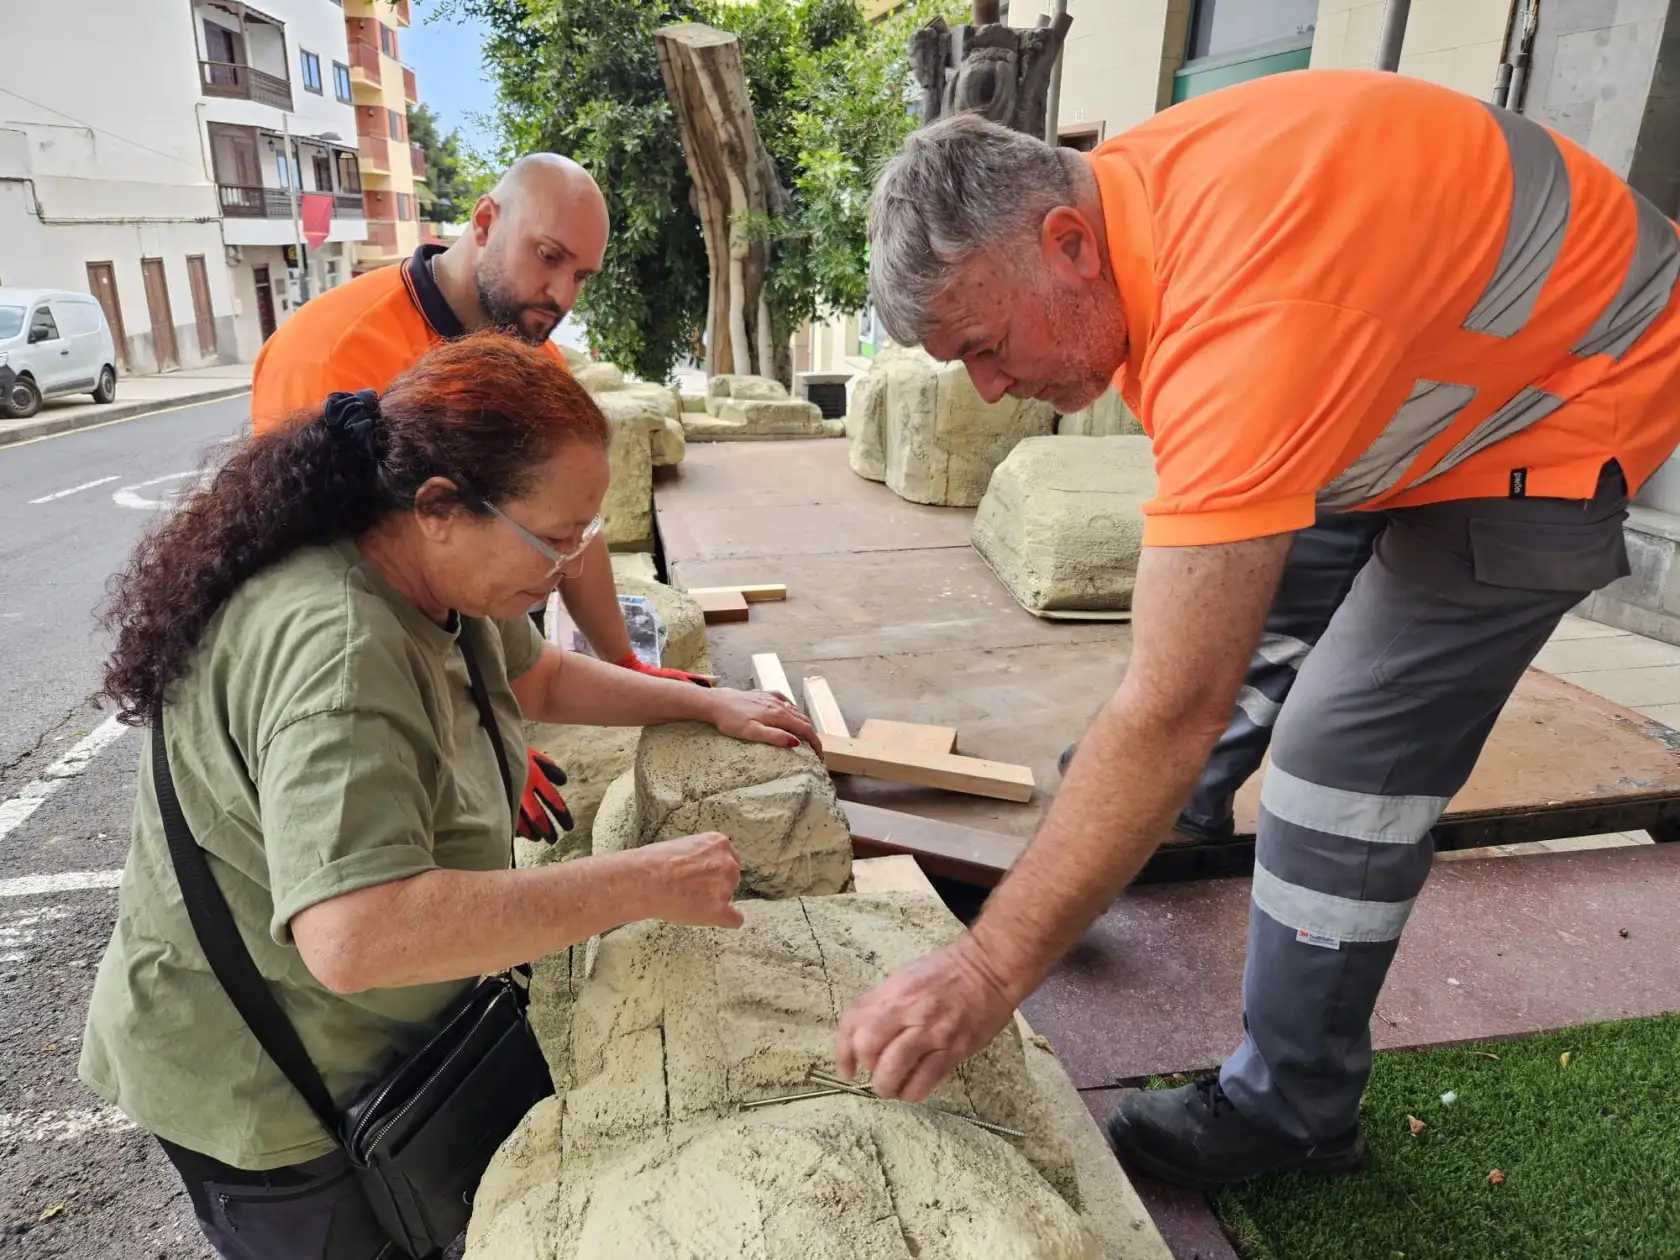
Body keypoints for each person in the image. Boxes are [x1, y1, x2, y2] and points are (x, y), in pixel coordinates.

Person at [834, 69, 1680, 1190]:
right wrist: (1100, 831)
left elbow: (1174, 700)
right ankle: (1143, 829)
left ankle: (1295, 1111)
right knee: (1230, 615)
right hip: (1412, 370)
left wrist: (992, 969)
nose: (992, 389)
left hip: (1568, 392)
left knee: (1342, 758)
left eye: (986, 344)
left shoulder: (1248, 316)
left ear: (1066, 241)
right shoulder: (1135, 201)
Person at [81, 333, 815, 1259]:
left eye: (583, 534)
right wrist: (645, 883)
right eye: (552, 539)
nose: (568, 565)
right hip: (264, 1081)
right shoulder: (341, 650)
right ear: (439, 506)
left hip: (356, 1034)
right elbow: (356, 935)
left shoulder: (432, 577)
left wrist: (704, 705)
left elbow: (537, 678)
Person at [251, 153, 699, 848]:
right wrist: (476, 731)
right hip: (348, 699)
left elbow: (575, 532)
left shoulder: (531, 359)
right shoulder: (333, 355)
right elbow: (321, 594)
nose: (561, 294)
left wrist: (623, 663)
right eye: (548, 257)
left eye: (581, 275)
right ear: (485, 221)